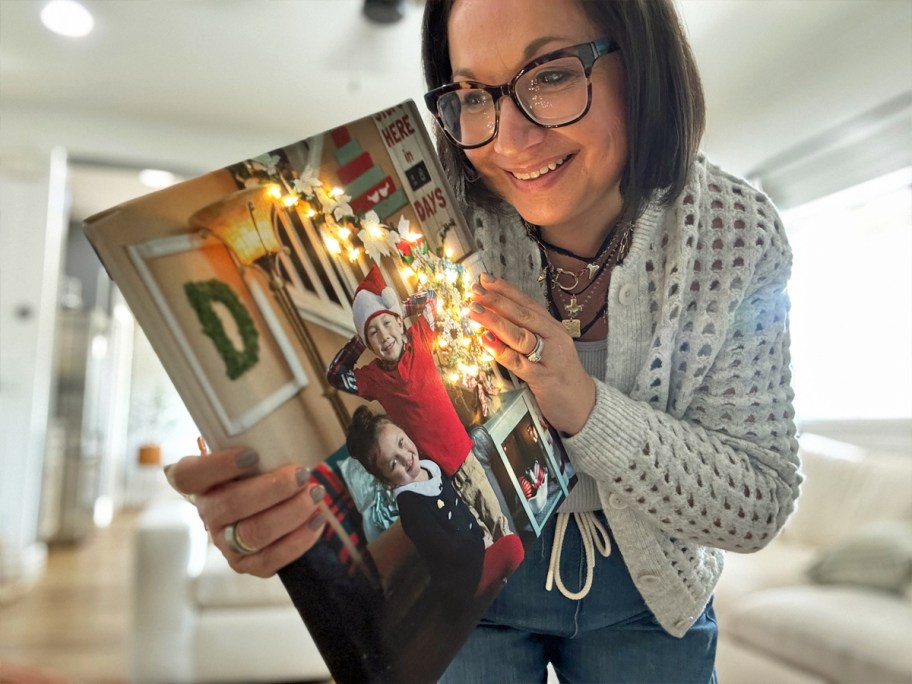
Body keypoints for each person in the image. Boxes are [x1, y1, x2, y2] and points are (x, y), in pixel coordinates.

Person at [167, 0, 802, 681]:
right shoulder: (431, 223)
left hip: (654, 592)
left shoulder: (733, 234)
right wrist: (255, 512)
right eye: (472, 94)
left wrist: (585, 407)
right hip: (477, 584)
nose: (508, 141)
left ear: (641, 62)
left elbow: (759, 498)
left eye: (551, 75)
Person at [327, 264, 512, 541]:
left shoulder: (421, 338)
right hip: (434, 477)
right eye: (373, 333)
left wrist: (396, 307)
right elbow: (335, 375)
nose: (384, 336)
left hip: (463, 456)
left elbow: (432, 297)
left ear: (400, 323)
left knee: (498, 522)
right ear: (369, 344)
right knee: (477, 540)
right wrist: (359, 339)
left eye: (387, 324)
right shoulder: (374, 378)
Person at [346, 406, 524, 602]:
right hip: (464, 577)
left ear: (403, 430)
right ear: (387, 481)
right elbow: (447, 550)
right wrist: (480, 545)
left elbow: (461, 507)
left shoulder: (429, 467)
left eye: (401, 442)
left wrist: (483, 536)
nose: (405, 457)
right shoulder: (411, 507)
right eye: (393, 463)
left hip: (478, 549)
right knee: (513, 547)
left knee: (507, 543)